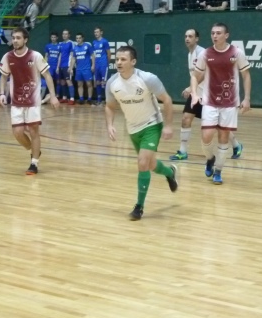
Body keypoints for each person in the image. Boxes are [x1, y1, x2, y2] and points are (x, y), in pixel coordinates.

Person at [105, 45, 178, 220]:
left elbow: (167, 100)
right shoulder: (112, 83)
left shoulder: (147, 79)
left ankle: (139, 207)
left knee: (142, 163)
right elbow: (109, 106)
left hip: (152, 124)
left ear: (133, 62)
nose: (119, 62)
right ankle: (170, 172)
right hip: (132, 128)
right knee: (150, 165)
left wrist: (168, 126)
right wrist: (110, 125)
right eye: (117, 59)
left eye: (123, 59)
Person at [190, 23, 251, 185]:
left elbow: (246, 75)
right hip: (209, 101)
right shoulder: (205, 54)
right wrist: (194, 93)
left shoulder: (236, 53)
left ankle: (218, 171)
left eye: (218, 33)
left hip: (230, 103)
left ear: (226, 35)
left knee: (223, 137)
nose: (215, 36)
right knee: (206, 136)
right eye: (212, 33)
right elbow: (195, 76)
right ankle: (210, 159)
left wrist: (246, 98)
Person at [170, 29, 243, 161]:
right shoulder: (190, 54)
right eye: (186, 36)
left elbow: (205, 74)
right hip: (196, 94)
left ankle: (236, 145)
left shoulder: (202, 52)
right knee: (186, 119)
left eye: (190, 36)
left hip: (209, 95)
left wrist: (189, 88)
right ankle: (183, 151)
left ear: (197, 39)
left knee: (219, 126)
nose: (187, 39)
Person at [0, 27, 60, 175]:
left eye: (18, 38)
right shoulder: (7, 57)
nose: (15, 40)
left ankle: (34, 163)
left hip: (33, 102)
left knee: (33, 131)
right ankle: (35, 150)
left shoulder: (35, 56)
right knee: (18, 132)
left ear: (25, 40)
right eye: (13, 38)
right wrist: (2, 94)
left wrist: (53, 96)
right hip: (16, 101)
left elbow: (47, 76)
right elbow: (3, 77)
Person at [71, 33, 95, 104]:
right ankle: (81, 99)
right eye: (77, 38)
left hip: (87, 68)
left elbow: (93, 55)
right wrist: (71, 68)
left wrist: (93, 65)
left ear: (82, 38)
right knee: (79, 84)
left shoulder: (87, 46)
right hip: (78, 69)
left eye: (79, 38)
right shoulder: (75, 48)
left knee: (89, 84)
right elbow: (73, 58)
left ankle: (89, 99)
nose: (78, 39)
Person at [92, 27, 111, 105]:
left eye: (97, 32)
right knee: (97, 82)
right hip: (97, 65)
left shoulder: (104, 41)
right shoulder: (94, 42)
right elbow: (93, 54)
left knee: (104, 82)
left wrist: (106, 63)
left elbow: (109, 54)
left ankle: (107, 100)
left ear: (101, 32)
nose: (96, 33)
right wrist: (93, 64)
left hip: (103, 65)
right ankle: (99, 99)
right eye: (95, 32)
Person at [57, 29, 76, 105]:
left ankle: (72, 98)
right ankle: (64, 97)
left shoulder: (71, 43)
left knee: (69, 81)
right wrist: (58, 66)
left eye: (66, 34)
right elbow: (60, 55)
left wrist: (70, 67)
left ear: (69, 35)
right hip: (61, 66)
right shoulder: (61, 44)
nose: (64, 35)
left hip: (67, 66)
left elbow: (72, 55)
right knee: (62, 82)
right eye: (63, 34)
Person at [43, 32, 61, 103]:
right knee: (49, 80)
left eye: (54, 37)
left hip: (56, 66)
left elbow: (60, 57)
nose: (53, 38)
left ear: (57, 38)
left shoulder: (59, 46)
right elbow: (46, 56)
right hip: (50, 66)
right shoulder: (48, 46)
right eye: (52, 37)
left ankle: (57, 95)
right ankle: (48, 96)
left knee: (58, 81)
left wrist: (58, 67)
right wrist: (45, 65)